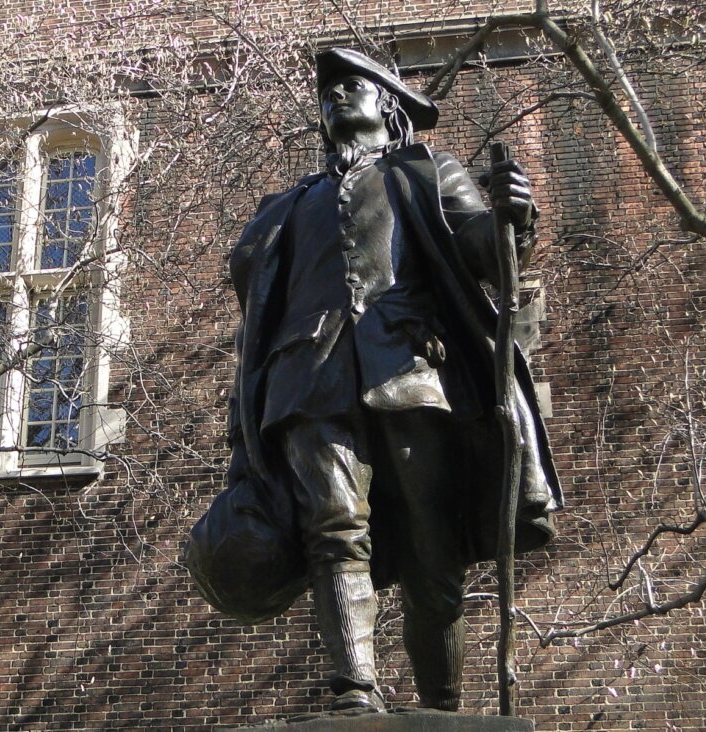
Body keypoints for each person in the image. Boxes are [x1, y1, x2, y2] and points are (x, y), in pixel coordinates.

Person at [224, 48, 562, 712]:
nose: (336, 98)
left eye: (353, 86)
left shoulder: (426, 171)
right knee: (333, 527)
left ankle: (441, 705)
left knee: (432, 550)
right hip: (309, 382)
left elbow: (481, 252)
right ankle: (355, 691)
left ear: (389, 105)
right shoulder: (288, 207)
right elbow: (256, 296)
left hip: (410, 369)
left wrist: (512, 219)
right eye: (329, 93)